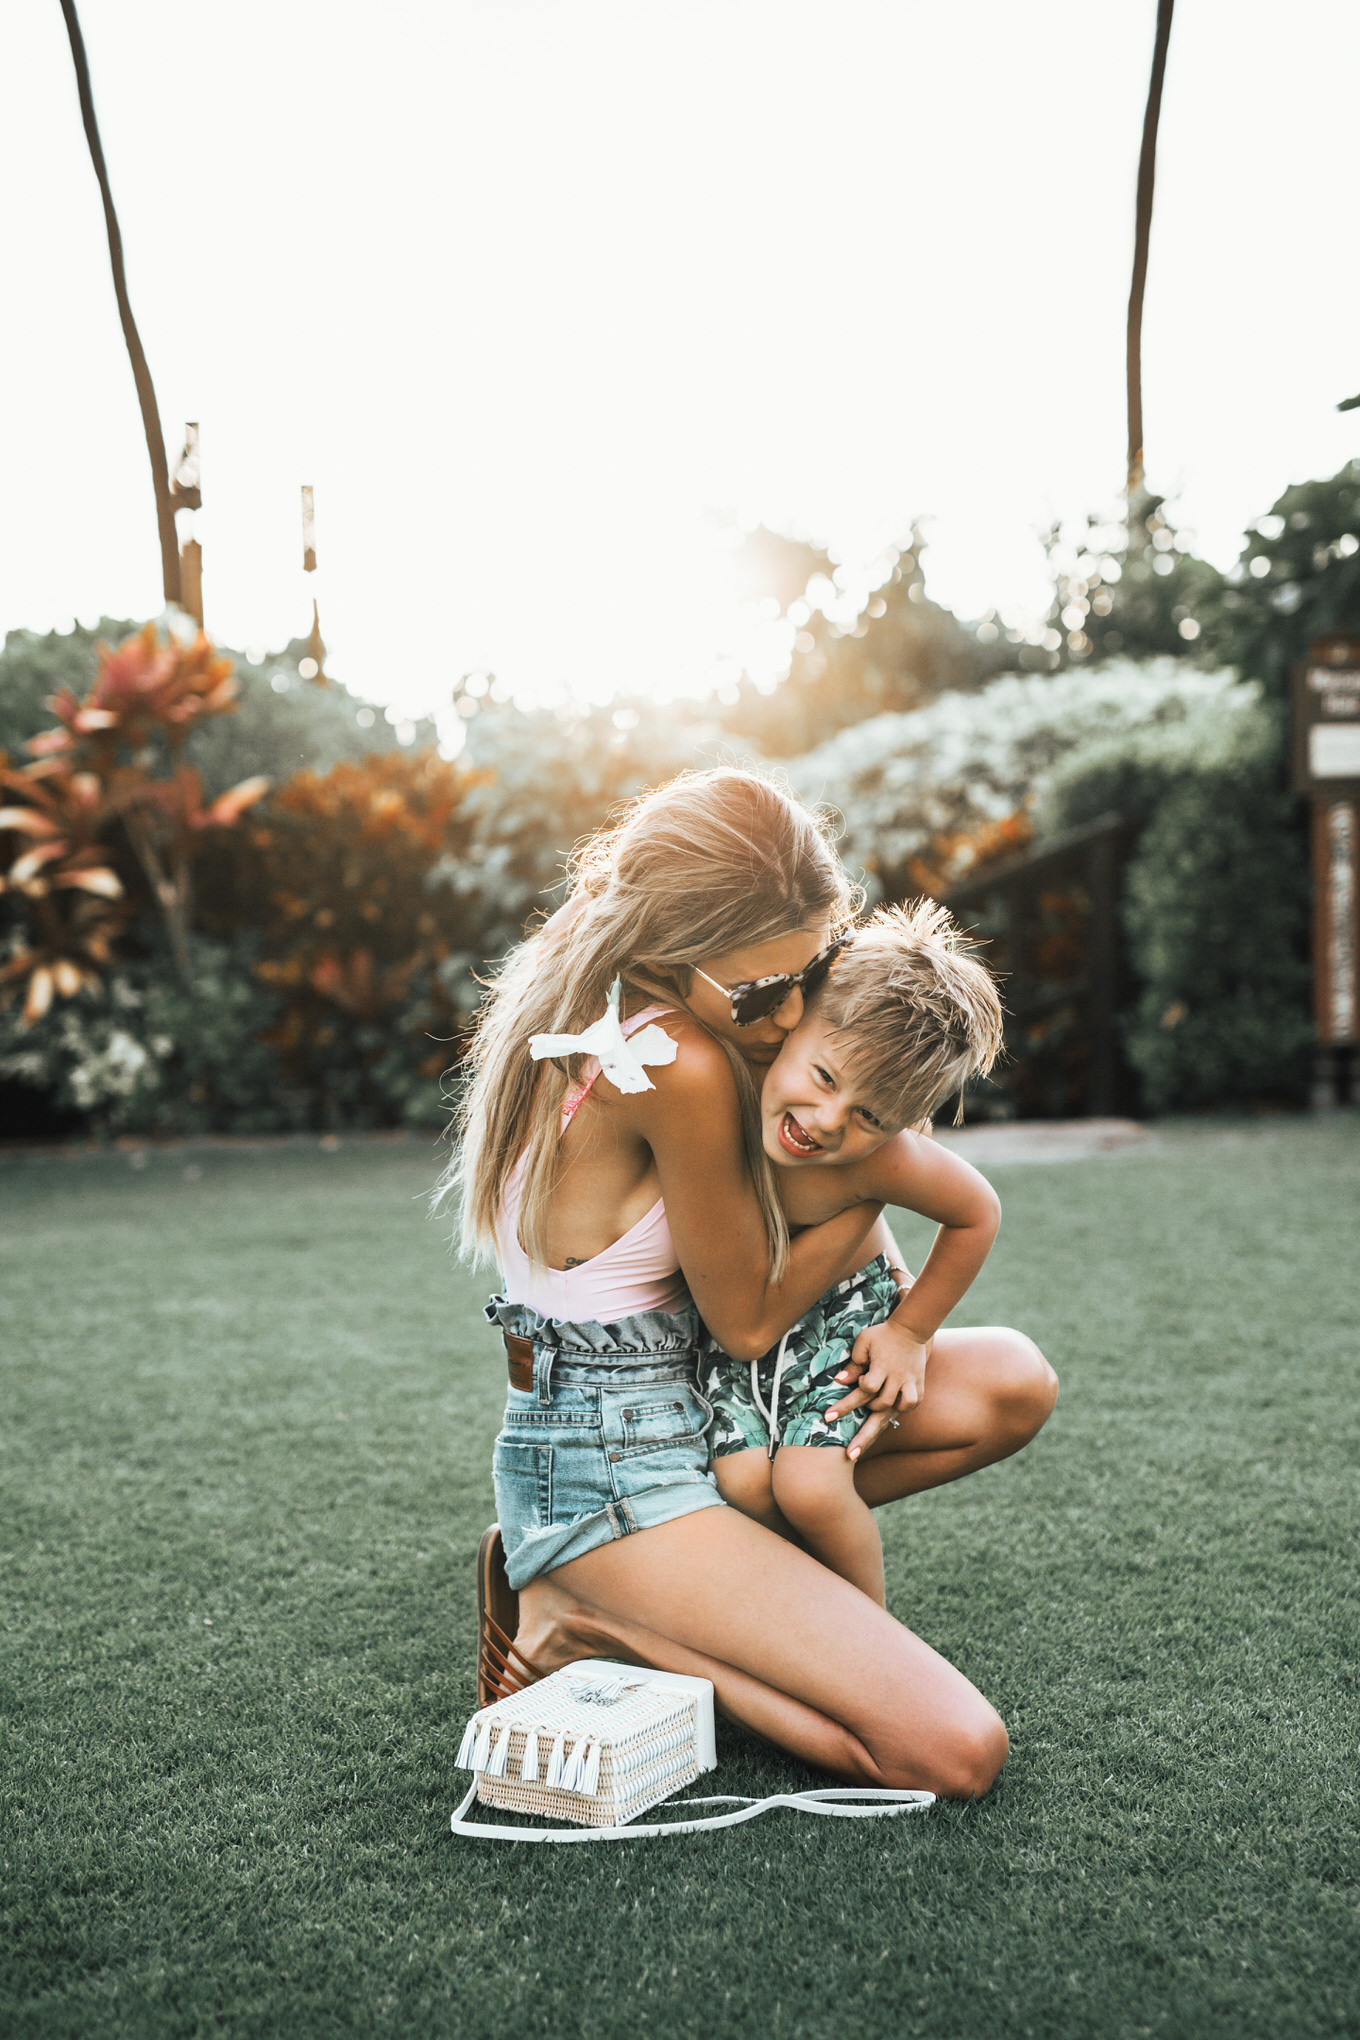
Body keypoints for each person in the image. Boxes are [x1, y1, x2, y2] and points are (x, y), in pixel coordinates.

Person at [443, 767, 1051, 1798]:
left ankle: (637, 1582)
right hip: (614, 1466)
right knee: (952, 1751)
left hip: (687, 1414)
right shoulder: (674, 1059)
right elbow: (748, 1321)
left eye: (810, 974)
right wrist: (870, 1188)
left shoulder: (600, 976)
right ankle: (579, 1614)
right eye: (765, 993)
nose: (788, 1018)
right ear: (679, 945)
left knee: (1009, 1382)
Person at [704, 899, 1050, 1607]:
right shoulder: (719, 1090)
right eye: (825, 1078)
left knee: (808, 1483)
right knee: (741, 1482)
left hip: (837, 1321)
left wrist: (909, 1331)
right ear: (789, 1026)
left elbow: (976, 1213)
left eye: (870, 1116)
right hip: (731, 1334)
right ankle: (784, 1593)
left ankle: (866, 1634)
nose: (827, 1122)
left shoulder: (883, 1161)